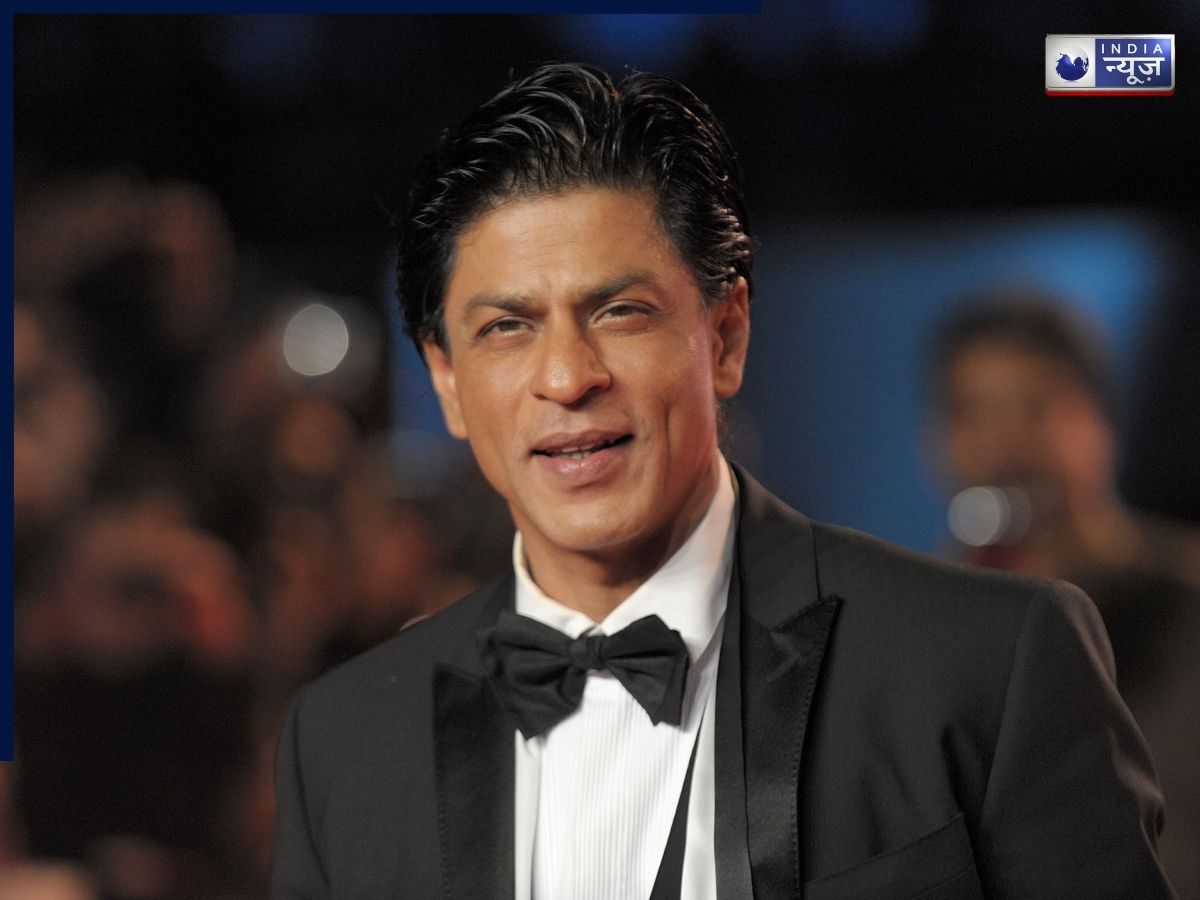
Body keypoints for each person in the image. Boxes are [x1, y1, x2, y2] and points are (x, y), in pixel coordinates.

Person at [271, 63, 1174, 899]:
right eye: (507, 328)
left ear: (726, 337)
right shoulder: (343, 745)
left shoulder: (986, 664)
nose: (567, 377)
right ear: (445, 381)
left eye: (620, 312)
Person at [926, 295, 1200, 898]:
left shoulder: (1186, 596)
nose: (1003, 445)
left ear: (1100, 422)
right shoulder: (922, 623)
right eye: (972, 412)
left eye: (1034, 406)